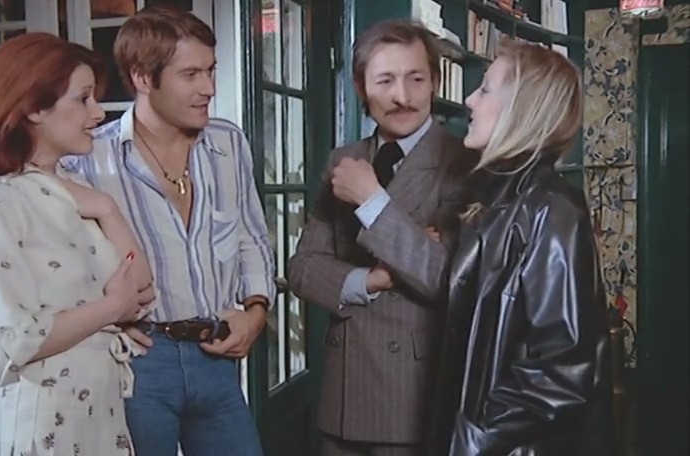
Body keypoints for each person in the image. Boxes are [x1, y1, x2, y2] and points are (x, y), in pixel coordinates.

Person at [62, 5, 276, 456]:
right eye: (191, 74)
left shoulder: (228, 142)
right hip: (140, 360)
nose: (209, 88)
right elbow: (66, 270)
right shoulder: (89, 160)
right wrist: (106, 324)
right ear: (143, 78)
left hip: (216, 354)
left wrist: (256, 311)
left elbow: (250, 236)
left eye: (211, 71)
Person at [287, 20, 475, 455]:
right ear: (360, 87)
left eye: (416, 79)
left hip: (413, 399)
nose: (402, 97)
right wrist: (372, 279)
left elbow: (445, 276)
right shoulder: (344, 160)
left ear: (435, 82)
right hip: (343, 395)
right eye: (385, 80)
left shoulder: (463, 162)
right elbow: (302, 268)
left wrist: (371, 201)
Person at [0, 32, 155, 455]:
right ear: (35, 108)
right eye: (83, 98)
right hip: (39, 431)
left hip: (100, 425)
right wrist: (109, 309)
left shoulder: (78, 190)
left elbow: (142, 289)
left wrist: (108, 208)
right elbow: (9, 343)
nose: (98, 112)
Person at [429, 39, 615, 456]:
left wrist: (473, 439)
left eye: (485, 88)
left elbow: (561, 372)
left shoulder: (551, 209)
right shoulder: (495, 200)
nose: (469, 99)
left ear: (521, 109)